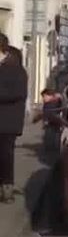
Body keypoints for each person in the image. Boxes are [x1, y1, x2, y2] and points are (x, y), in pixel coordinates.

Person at [0, 34, 27, 204]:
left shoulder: (15, 68)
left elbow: (19, 93)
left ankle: (7, 188)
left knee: (5, 155)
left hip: (7, 121)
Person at [33, 88, 67, 159]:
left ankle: (52, 150)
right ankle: (51, 149)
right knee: (51, 136)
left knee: (54, 136)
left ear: (50, 95)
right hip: (52, 123)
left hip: (54, 123)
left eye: (44, 96)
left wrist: (37, 119)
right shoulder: (50, 103)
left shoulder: (54, 103)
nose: (43, 98)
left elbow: (47, 113)